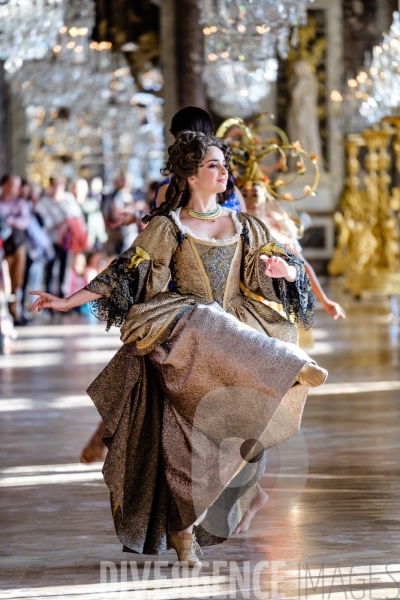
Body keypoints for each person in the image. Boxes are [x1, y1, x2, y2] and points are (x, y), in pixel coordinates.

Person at [31, 132, 327, 565]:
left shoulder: (245, 226)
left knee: (223, 445)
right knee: (183, 436)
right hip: (189, 332)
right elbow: (125, 273)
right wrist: (66, 300)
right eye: (213, 165)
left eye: (224, 164)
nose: (224, 171)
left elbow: (266, 272)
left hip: (237, 334)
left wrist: (280, 271)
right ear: (189, 175)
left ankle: (188, 521)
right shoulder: (169, 228)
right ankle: (182, 532)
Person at [240, 181, 346, 321]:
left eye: (255, 194)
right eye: (244, 195)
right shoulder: (234, 227)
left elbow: (303, 266)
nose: (250, 200)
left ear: (265, 197)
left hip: (276, 301)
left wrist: (325, 300)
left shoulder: (281, 229)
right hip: (244, 299)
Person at [38, 178, 86, 298]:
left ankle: (63, 297)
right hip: (52, 240)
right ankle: (48, 297)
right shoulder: (44, 201)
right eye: (55, 186)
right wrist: (60, 223)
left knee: (65, 269)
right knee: (51, 269)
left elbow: (77, 217)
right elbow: (45, 221)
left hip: (67, 241)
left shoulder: (68, 199)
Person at [0, 174, 30, 324]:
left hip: (17, 245)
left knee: (17, 280)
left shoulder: (20, 203)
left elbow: (25, 222)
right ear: (5, 185)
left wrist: (9, 220)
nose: (18, 189)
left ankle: (14, 312)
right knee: (4, 280)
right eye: (14, 185)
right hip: (3, 248)